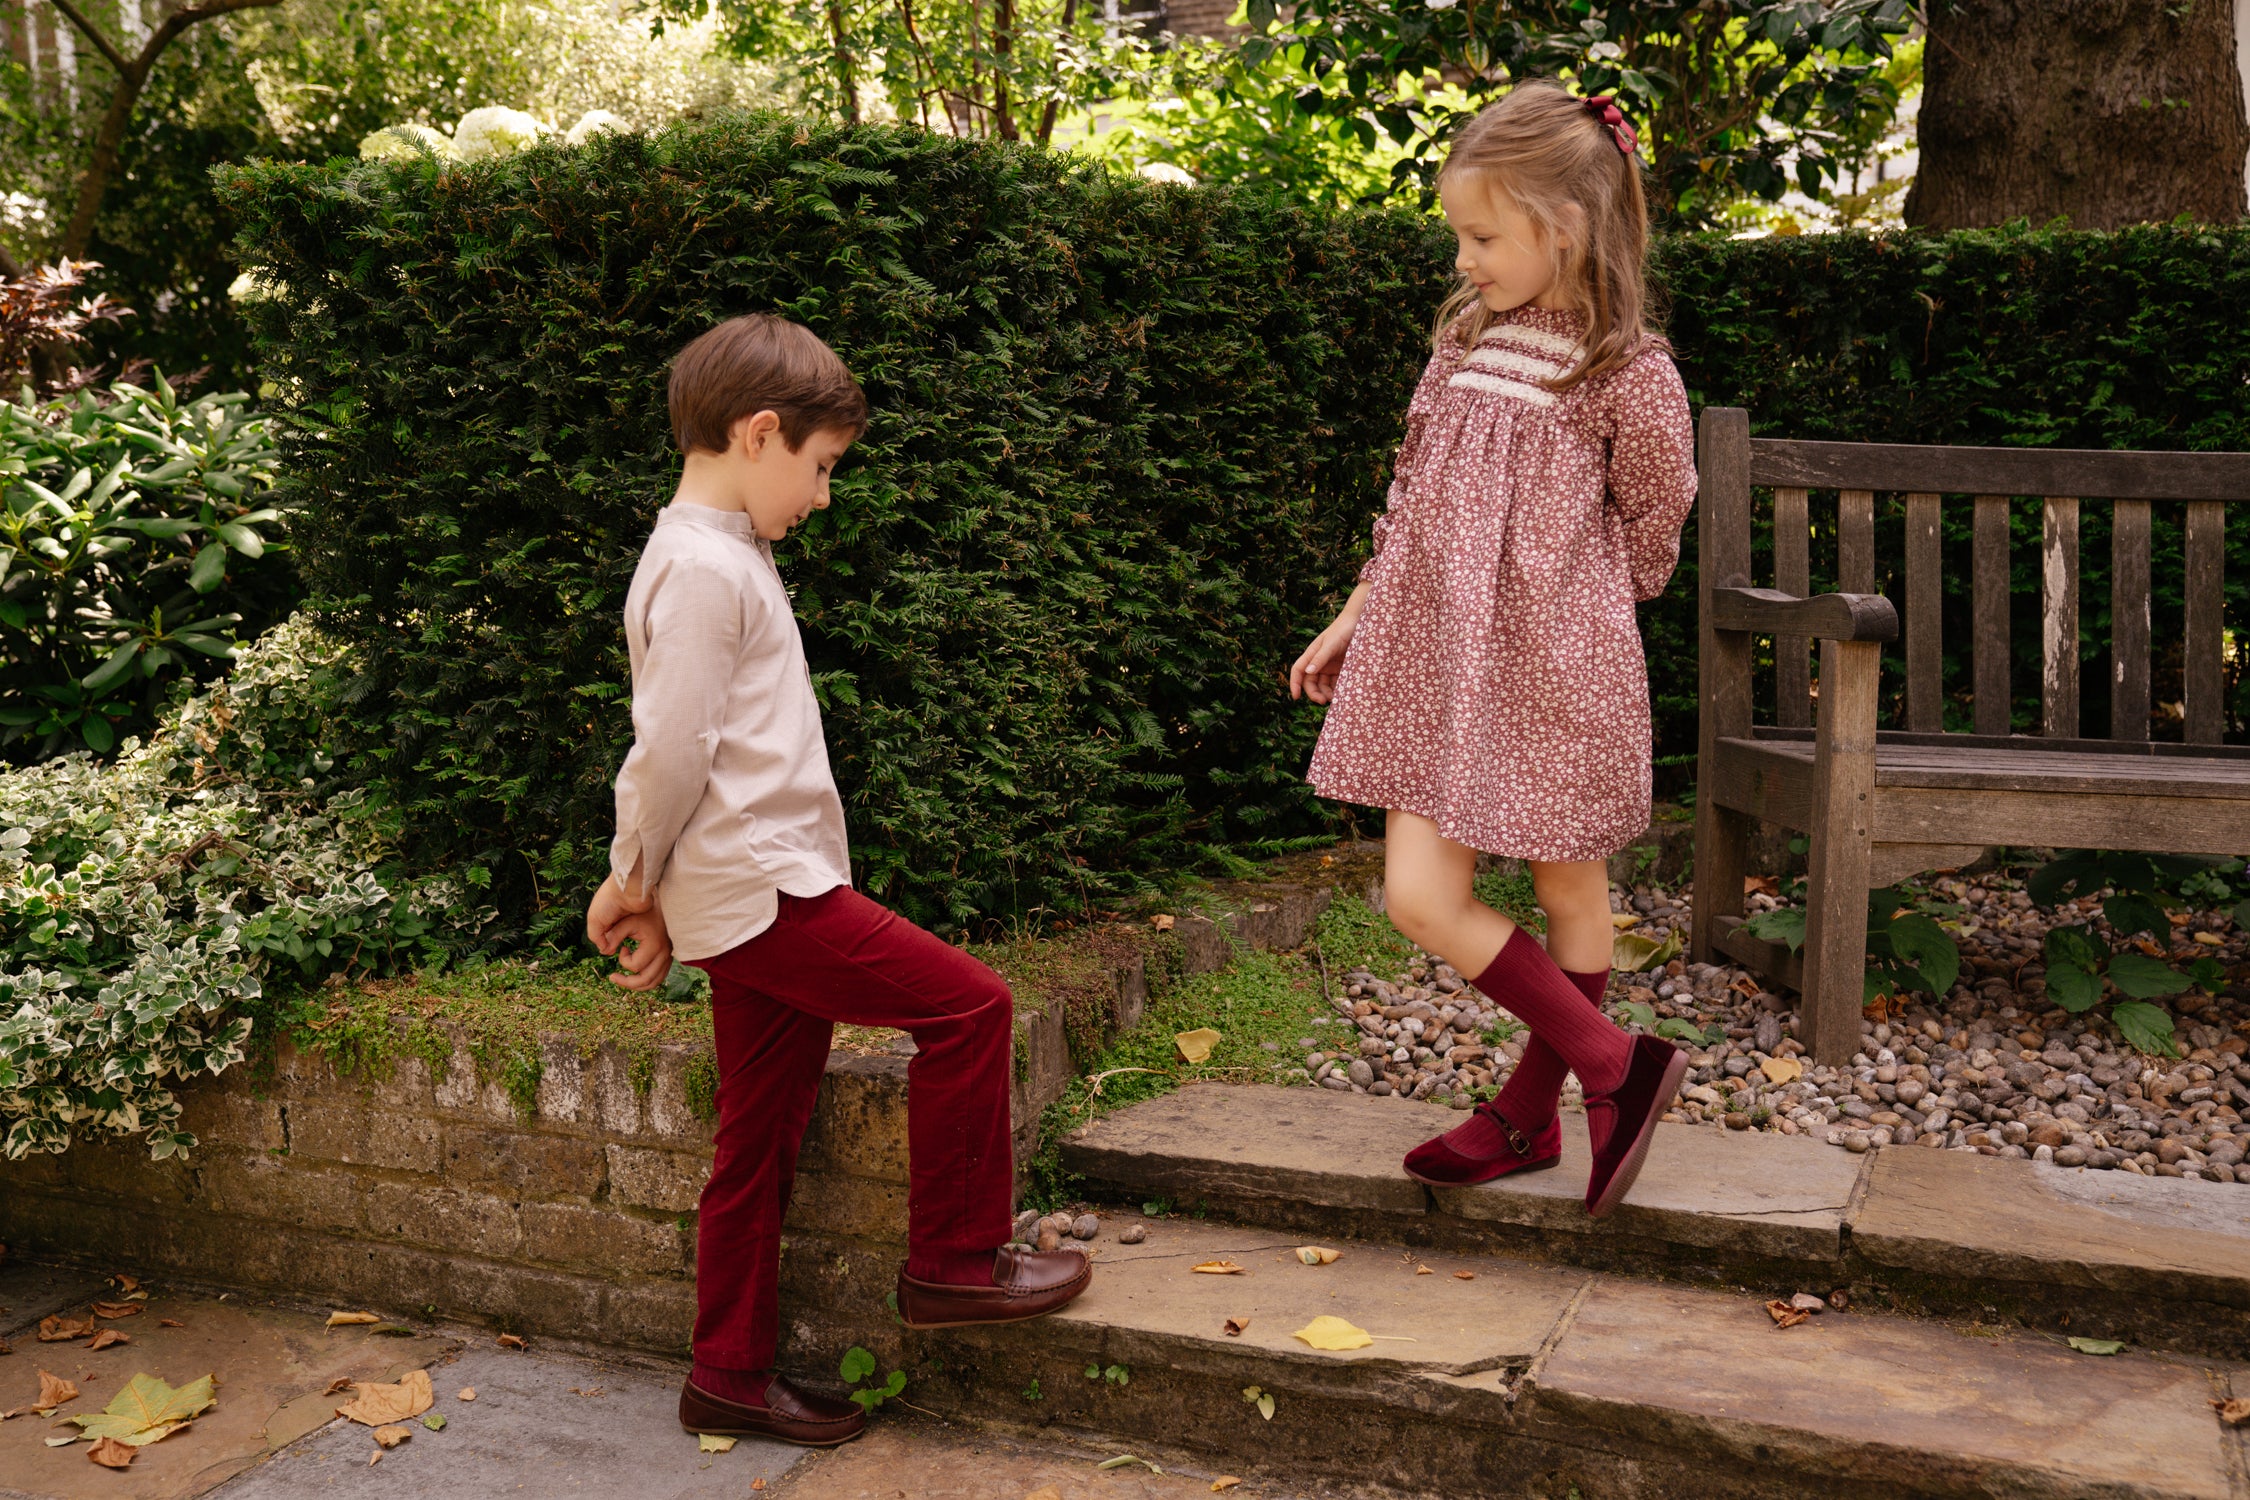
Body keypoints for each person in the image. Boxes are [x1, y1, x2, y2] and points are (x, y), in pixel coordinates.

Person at [585, 314, 1091, 1448]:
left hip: (747, 888)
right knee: (971, 1008)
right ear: (758, 432)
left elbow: (699, 749)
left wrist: (657, 889)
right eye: (818, 467)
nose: (822, 496)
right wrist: (631, 880)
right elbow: (670, 754)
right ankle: (954, 1262)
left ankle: (726, 1374)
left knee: (757, 1138)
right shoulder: (705, 569)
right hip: (770, 892)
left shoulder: (717, 553)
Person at [1290, 84, 1698, 1218]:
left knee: (1570, 885)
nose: (1463, 260)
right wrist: (1361, 608)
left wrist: (1577, 611)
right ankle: (1614, 1065)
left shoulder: (1628, 371)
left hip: (1562, 668)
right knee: (1419, 896)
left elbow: (1657, 518)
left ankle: (1530, 1115)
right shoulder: (1463, 342)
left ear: (1563, 228)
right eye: (1460, 238)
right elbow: (1415, 491)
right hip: (1436, 661)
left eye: (1481, 237)